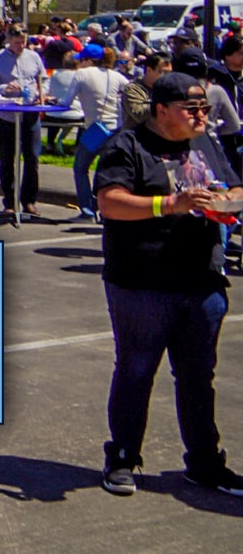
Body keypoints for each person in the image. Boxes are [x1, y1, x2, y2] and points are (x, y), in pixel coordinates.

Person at [91, 72, 243, 497]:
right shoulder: (128, 146)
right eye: (191, 109)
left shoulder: (206, 141)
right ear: (161, 110)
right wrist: (170, 204)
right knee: (137, 370)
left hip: (202, 276)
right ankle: (122, 458)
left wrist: (227, 201)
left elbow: (233, 183)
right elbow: (109, 202)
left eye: (205, 109)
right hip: (143, 279)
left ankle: (205, 462)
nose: (201, 116)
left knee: (198, 375)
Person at [52, 43, 129, 223]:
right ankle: (108, 210)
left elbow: (66, 102)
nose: (79, 64)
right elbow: (132, 91)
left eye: (81, 60)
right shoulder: (116, 75)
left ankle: (87, 211)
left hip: (96, 129)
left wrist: (54, 101)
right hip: (117, 129)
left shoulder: (82, 74)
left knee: (80, 168)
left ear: (89, 60)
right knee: (108, 172)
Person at [0, 27, 48, 220]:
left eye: (24, 41)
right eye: (18, 42)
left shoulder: (34, 57)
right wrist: (4, 88)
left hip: (29, 113)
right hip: (7, 115)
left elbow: (44, 79)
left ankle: (29, 200)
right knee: (7, 159)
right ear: (9, 40)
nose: (22, 46)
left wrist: (40, 94)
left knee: (32, 158)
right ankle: (9, 202)